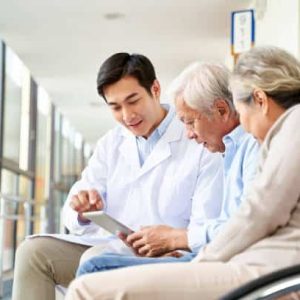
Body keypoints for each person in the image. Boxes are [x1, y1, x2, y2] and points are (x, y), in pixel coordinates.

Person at [65, 46, 300, 300]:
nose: (242, 122)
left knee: (88, 280)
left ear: (261, 101)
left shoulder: (290, 128)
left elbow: (259, 215)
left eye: (242, 112)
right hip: (248, 262)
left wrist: (197, 259)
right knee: (90, 268)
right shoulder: (259, 141)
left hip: (259, 270)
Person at [12, 53, 223, 300]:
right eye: (115, 107)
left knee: (96, 261)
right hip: (114, 245)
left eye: (133, 100)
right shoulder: (111, 144)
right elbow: (73, 211)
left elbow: (207, 222)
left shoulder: (198, 138)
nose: (127, 115)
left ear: (155, 89)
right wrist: (82, 209)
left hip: (170, 254)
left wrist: (172, 241)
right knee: (33, 252)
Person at [75, 61, 259, 276]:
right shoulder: (231, 150)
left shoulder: (249, 147)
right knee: (87, 260)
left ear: (221, 110)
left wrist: (175, 240)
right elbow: (227, 223)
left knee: (95, 267)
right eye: (115, 107)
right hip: (207, 254)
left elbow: (245, 226)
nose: (189, 133)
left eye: (190, 122)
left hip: (225, 264)